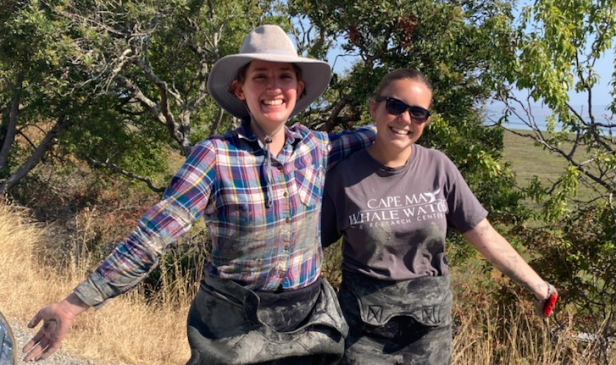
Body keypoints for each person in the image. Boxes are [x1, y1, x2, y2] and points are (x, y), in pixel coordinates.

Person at [22, 24, 376, 365]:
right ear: (240, 90)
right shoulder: (214, 156)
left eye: (284, 76)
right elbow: (153, 235)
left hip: (306, 325)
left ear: (298, 87)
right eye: (260, 77)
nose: (274, 87)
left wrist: (407, 115)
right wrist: (72, 305)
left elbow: (383, 133)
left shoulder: (317, 147)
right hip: (232, 331)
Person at [321, 68, 558, 365]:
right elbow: (309, 248)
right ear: (374, 107)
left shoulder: (438, 167)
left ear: (426, 121)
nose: (405, 119)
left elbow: (482, 232)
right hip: (363, 334)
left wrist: (538, 286)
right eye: (395, 106)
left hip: (429, 332)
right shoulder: (343, 176)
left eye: (417, 113)